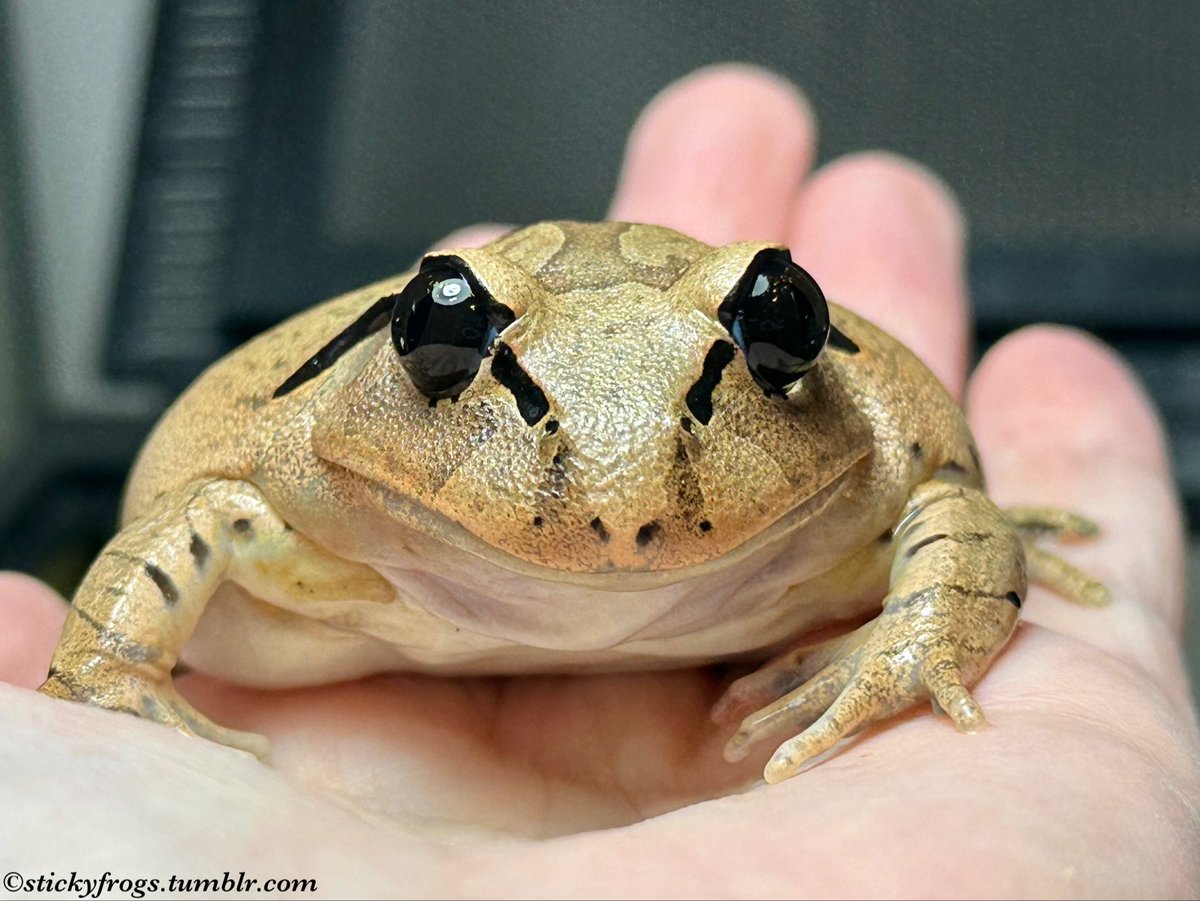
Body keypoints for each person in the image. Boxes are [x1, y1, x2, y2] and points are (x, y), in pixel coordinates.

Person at [1, 65, 1196, 897]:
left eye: (772, 333)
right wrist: (106, 666)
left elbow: (951, 501)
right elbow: (193, 505)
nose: (619, 497)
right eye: (443, 339)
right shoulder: (274, 515)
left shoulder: (875, 485)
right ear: (416, 345)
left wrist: (925, 637)